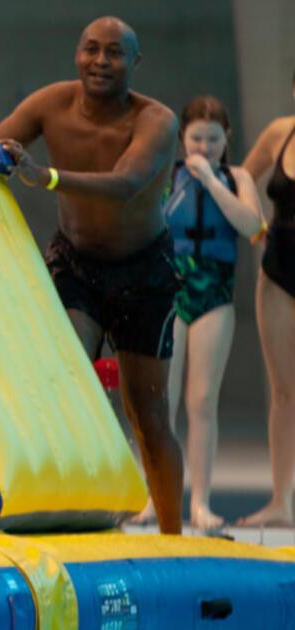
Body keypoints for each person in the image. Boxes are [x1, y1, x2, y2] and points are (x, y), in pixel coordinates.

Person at [0, 16, 185, 534]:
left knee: (148, 414)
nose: (101, 61)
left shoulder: (156, 120)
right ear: (77, 54)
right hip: (75, 264)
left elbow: (127, 183)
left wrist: (43, 176)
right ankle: (78, 515)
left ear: (135, 63)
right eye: (91, 50)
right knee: (68, 380)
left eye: (115, 53)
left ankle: (172, 537)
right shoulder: (50, 103)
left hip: (145, 270)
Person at [155, 96, 264, 531]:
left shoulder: (237, 177)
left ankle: (200, 501)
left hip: (213, 296)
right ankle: (155, 496)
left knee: (202, 400)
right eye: (196, 138)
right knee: (164, 402)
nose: (204, 146)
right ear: (181, 138)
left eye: (213, 139)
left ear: (227, 139)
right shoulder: (168, 176)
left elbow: (251, 225)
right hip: (170, 291)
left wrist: (213, 181)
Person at [238, 69, 295, 527]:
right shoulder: (281, 132)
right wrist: (254, 220)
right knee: (283, 390)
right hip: (277, 272)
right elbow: (242, 173)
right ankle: (280, 502)